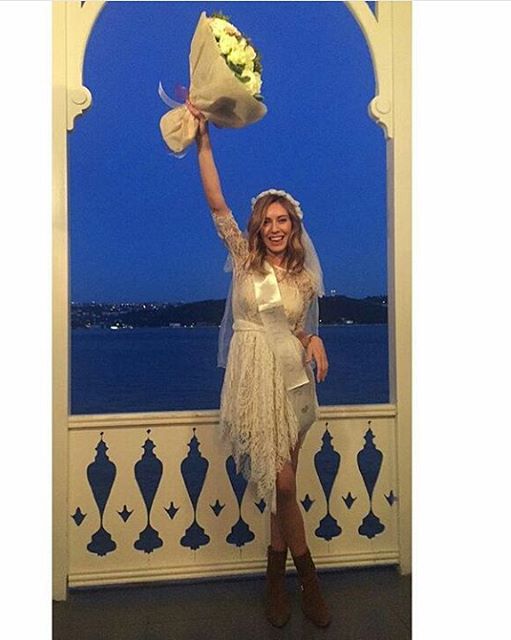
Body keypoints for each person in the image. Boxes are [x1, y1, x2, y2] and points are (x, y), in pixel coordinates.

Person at [186, 100, 332, 629]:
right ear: (258, 226)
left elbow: (301, 328)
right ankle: (302, 578)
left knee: (281, 484)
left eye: (282, 220)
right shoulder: (244, 260)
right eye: (267, 220)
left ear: (294, 226)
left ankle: (280, 579)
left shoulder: (304, 279)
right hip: (252, 377)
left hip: (291, 381)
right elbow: (215, 201)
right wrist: (204, 140)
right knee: (281, 483)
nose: (274, 228)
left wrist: (314, 341)